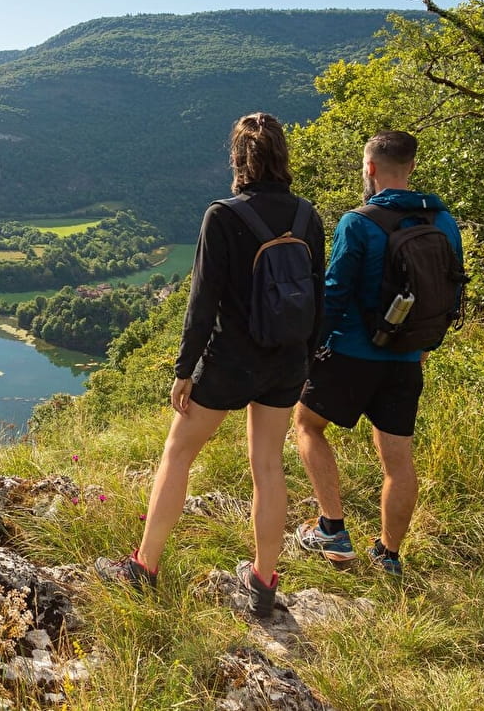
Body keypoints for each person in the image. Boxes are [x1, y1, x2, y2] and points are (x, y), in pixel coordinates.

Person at [97, 112, 325, 617]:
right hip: (287, 359)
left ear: (239, 158)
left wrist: (184, 370)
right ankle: (263, 584)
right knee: (268, 465)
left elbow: (202, 302)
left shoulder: (223, 215)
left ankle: (143, 567)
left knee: (178, 454)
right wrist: (305, 360)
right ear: (283, 155)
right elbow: (318, 295)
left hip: (230, 361)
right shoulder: (308, 216)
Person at [292, 130, 463, 575]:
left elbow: (334, 293)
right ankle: (388, 555)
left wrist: (308, 349)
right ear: (412, 167)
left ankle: (332, 529)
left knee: (307, 425)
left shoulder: (359, 222)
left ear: (369, 168)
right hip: (406, 358)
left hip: (350, 353)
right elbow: (450, 291)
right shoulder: (443, 221)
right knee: (398, 460)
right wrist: (424, 345)